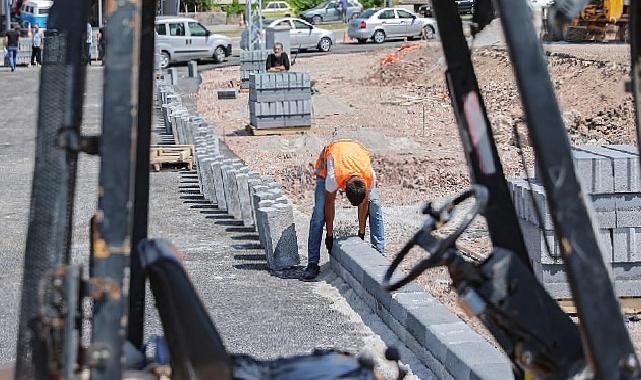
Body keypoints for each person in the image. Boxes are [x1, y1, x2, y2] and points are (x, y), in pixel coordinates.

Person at [302, 139, 385, 281]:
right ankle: (312, 263)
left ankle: (379, 253)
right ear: (344, 189)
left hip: (355, 150)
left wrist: (361, 232)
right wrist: (329, 234)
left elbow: (364, 204)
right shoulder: (333, 177)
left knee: (375, 204)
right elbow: (330, 202)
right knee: (318, 212)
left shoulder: (369, 176)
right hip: (329, 162)